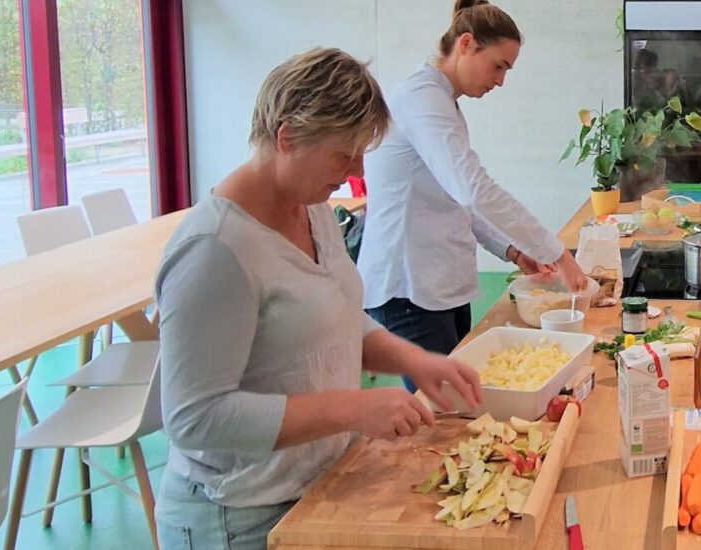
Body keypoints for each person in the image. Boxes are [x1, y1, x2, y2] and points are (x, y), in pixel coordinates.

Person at [153, 47, 484, 549]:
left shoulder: (313, 209)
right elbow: (196, 418)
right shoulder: (215, 249)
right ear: (287, 137)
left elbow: (339, 317)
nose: (355, 171)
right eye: (343, 154)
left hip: (314, 484)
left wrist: (418, 361)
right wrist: (351, 409)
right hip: (238, 515)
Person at [359, 0, 587, 396]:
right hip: (409, 287)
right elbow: (474, 189)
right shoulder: (422, 99)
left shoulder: (443, 101)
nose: (500, 80)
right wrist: (558, 254)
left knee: (468, 397)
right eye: (498, 66)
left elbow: (456, 197)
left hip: (437, 283)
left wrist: (513, 250)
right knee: (451, 409)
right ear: (466, 44)